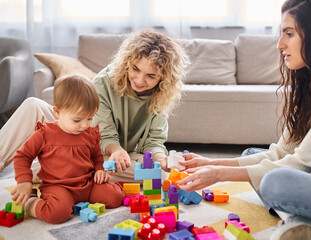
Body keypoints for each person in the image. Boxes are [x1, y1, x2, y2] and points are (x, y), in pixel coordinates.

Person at [176, 0, 311, 239]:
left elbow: (303, 161)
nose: (279, 44)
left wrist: (219, 174)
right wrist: (208, 163)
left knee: (276, 182)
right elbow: (279, 154)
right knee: (251, 155)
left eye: (289, 33)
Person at [0, 29, 189, 183]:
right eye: (136, 69)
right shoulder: (104, 82)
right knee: (33, 105)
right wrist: (115, 149)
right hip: (82, 135)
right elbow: (103, 132)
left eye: (151, 76)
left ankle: (55, 169)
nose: (140, 80)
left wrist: (159, 159)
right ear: (127, 63)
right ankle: (58, 167)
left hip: (103, 156)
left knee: (158, 174)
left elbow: (154, 140)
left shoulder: (161, 96)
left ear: (164, 79)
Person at [11, 75, 125, 224]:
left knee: (115, 197)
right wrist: (24, 181)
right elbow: (22, 156)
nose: (84, 125)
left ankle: (82, 202)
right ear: (57, 112)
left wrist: (99, 170)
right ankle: (30, 203)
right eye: (77, 120)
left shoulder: (90, 134)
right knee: (57, 213)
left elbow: (97, 156)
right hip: (58, 187)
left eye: (90, 118)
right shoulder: (44, 134)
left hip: (87, 184)